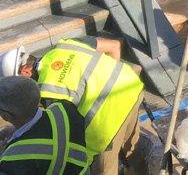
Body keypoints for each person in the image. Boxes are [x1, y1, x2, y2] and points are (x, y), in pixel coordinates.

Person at [0, 37, 144, 175]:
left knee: (103, 168)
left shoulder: (48, 91)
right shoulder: (64, 45)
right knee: (131, 147)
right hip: (130, 87)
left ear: (25, 71)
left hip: (109, 117)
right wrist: (110, 87)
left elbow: (62, 133)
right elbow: (114, 46)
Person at [0, 76, 91, 175]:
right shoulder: (65, 109)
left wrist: (2, 152)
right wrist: (16, 130)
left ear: (6, 116)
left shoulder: (13, 158)